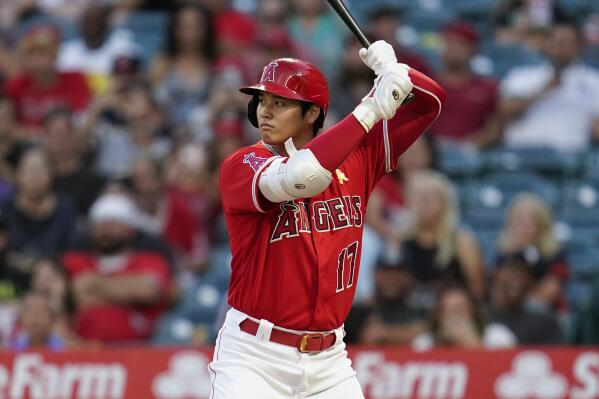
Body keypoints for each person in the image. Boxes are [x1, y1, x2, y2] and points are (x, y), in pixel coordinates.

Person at [211, 41, 445, 398]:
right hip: (254, 356)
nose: (264, 112)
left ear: (311, 114)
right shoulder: (242, 165)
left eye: (280, 102)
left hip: (329, 361)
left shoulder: (359, 157)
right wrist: (371, 107)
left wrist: (397, 72)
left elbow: (432, 102)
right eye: (261, 101)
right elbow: (302, 176)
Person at [499, 18, 599, 152]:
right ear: (545, 44)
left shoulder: (593, 80)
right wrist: (543, 91)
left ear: (580, 47)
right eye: (555, 41)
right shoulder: (521, 76)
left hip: (570, 159)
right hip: (521, 155)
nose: (560, 46)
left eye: (567, 42)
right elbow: (505, 112)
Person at [398, 170, 486, 301]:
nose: (424, 202)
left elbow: (477, 290)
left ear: (446, 203)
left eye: (431, 196)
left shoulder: (462, 241)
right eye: (419, 196)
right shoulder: (400, 239)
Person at [496, 193, 569, 312]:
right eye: (518, 222)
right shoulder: (504, 257)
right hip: (510, 315)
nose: (522, 229)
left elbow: (549, 291)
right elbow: (499, 295)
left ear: (541, 226)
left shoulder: (555, 256)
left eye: (529, 223)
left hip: (547, 316)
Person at [411, 285, 515, 351]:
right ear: (439, 317)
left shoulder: (496, 334)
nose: (455, 317)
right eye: (449, 311)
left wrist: (472, 343)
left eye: (460, 309)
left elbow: (503, 368)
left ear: (473, 313)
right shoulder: (424, 342)